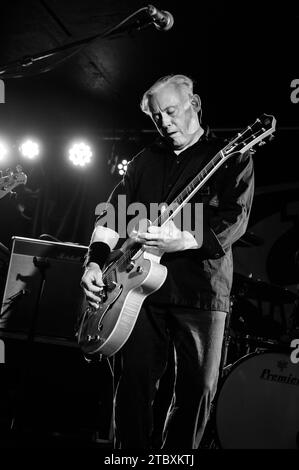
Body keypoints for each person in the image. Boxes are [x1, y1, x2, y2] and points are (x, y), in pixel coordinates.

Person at [80, 74, 255, 449]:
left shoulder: (232, 156)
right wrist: (93, 264)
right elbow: (111, 215)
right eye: (157, 117)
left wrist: (181, 239)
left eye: (172, 111)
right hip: (137, 293)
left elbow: (233, 220)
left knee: (197, 391)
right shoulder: (145, 160)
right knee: (133, 384)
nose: (165, 122)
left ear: (195, 104)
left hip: (200, 292)